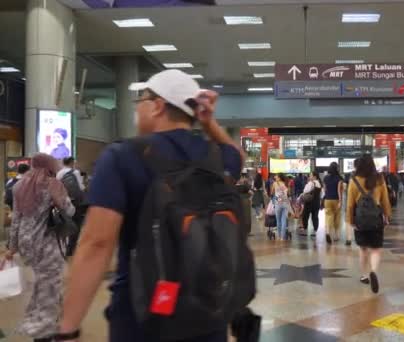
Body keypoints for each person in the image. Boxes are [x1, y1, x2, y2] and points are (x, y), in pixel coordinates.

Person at [57, 70, 244, 342]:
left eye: (141, 100)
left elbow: (97, 243)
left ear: (157, 106)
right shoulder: (215, 156)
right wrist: (209, 123)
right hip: (208, 311)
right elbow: (235, 157)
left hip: (141, 315)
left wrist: (68, 329)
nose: (137, 108)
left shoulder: (122, 156)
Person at [4, 153, 75, 341]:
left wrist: (12, 247)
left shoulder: (19, 186)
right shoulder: (53, 185)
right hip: (46, 242)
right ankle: (44, 331)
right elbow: (69, 210)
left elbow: (16, 219)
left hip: (27, 244)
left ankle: (40, 321)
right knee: (50, 287)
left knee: (40, 283)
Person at [346, 155, 391, 294]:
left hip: (360, 220)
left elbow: (350, 204)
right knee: (376, 249)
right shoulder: (379, 179)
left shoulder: (354, 180)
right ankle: (373, 271)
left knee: (363, 249)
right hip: (376, 219)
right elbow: (385, 200)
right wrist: (387, 216)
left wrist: (350, 221)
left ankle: (365, 275)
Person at [323, 162, 345, 245]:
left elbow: (324, 190)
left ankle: (328, 232)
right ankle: (336, 236)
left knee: (328, 216)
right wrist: (340, 201)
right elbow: (339, 191)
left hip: (327, 199)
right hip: (336, 199)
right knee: (337, 217)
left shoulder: (325, 178)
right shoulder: (339, 178)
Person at [301, 171, 322, 238]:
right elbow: (322, 194)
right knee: (315, 217)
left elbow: (305, 191)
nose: (309, 177)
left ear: (314, 176)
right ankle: (315, 231)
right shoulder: (319, 183)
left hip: (309, 202)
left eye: (310, 175)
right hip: (316, 202)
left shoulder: (311, 183)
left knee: (305, 215)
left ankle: (305, 229)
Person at [271, 174, 291, 241]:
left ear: (279, 178)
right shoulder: (286, 183)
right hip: (285, 202)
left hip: (278, 203)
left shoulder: (274, 183)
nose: (275, 177)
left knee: (278, 220)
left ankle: (279, 236)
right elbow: (289, 193)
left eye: (276, 176)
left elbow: (272, 192)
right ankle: (283, 237)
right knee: (284, 220)